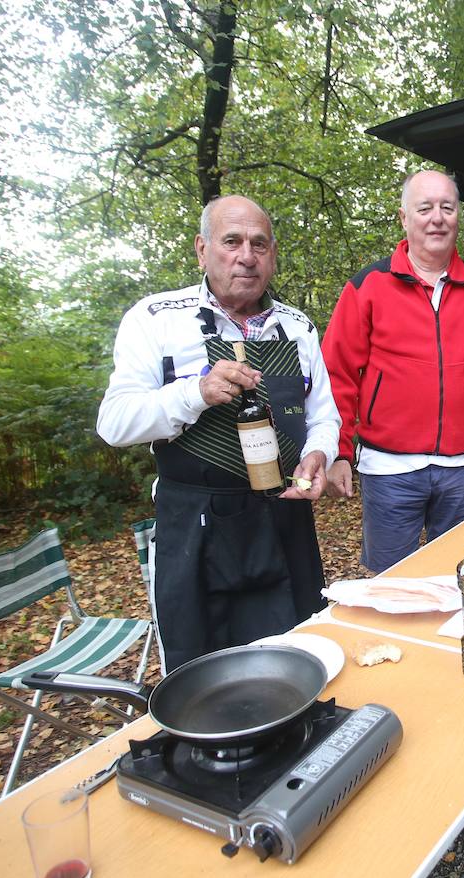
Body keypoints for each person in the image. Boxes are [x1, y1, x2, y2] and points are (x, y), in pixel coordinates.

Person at [97, 195, 339, 673]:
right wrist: (196, 393)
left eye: (259, 244)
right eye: (232, 241)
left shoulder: (298, 326)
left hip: (284, 519)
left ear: (272, 255)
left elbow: (324, 417)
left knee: (298, 655)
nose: (246, 256)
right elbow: (115, 423)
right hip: (196, 526)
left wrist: (319, 455)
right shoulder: (156, 319)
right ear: (202, 249)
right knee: (202, 672)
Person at [321, 170, 464, 572]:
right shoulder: (368, 286)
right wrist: (338, 451)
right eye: (425, 208)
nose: (437, 217)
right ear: (405, 219)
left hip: (461, 468)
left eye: (447, 207)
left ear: (459, 216)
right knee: (389, 584)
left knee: (459, 579)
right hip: (389, 468)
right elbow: (337, 377)